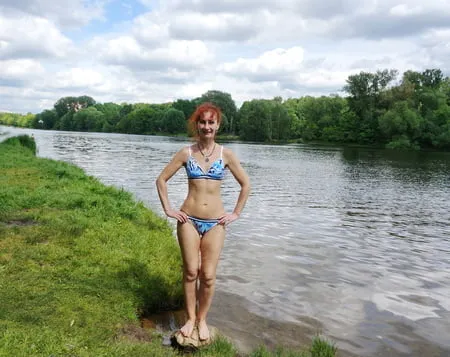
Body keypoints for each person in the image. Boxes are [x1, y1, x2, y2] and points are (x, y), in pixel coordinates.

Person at [156, 102, 250, 341]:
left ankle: (202, 319)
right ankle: (189, 318)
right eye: (202, 122)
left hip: (216, 223)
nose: (207, 126)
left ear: (217, 125)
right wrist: (168, 208)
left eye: (211, 122)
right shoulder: (186, 153)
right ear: (196, 125)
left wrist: (236, 213)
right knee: (190, 271)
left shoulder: (226, 154)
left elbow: (246, 184)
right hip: (188, 219)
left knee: (207, 275)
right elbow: (161, 180)